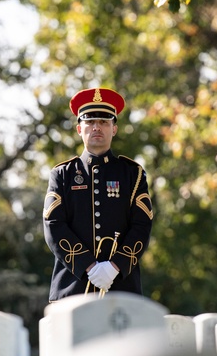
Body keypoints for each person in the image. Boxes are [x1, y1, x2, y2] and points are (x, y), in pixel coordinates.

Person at [43, 87, 154, 301]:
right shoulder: (62, 174)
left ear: (114, 129)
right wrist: (88, 266)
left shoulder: (133, 174)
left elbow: (142, 225)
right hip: (73, 289)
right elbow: (53, 225)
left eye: (104, 122)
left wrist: (115, 267)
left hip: (122, 288)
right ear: (79, 129)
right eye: (90, 122)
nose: (97, 127)